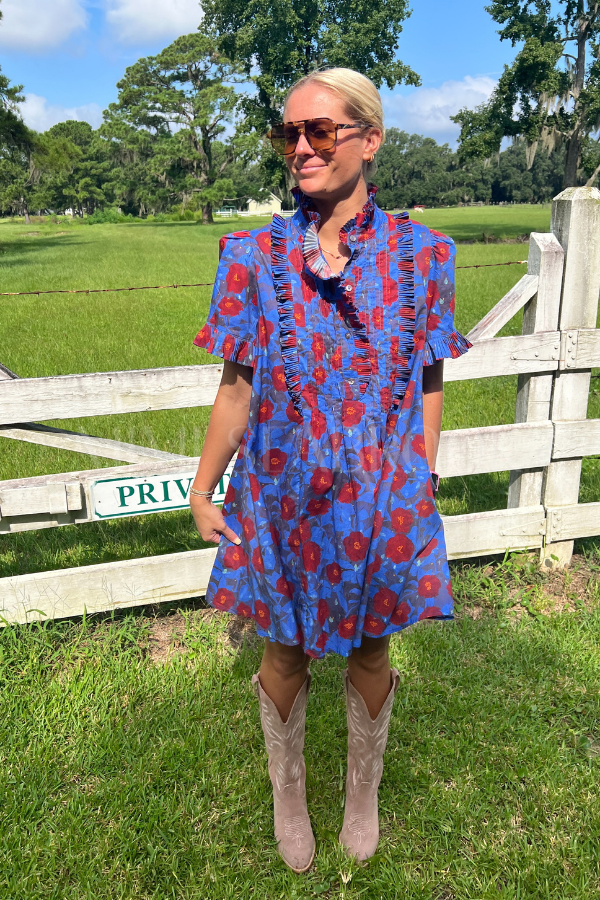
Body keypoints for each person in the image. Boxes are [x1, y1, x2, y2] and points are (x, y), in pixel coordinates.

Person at [190, 67, 471, 873]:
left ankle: (360, 794)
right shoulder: (251, 256)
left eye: (320, 130)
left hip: (382, 499)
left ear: (370, 139)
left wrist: (420, 477)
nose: (301, 148)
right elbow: (236, 386)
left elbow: (427, 381)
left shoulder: (427, 256)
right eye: (289, 133)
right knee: (283, 651)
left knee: (371, 650)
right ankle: (289, 794)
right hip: (279, 499)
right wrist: (204, 489)